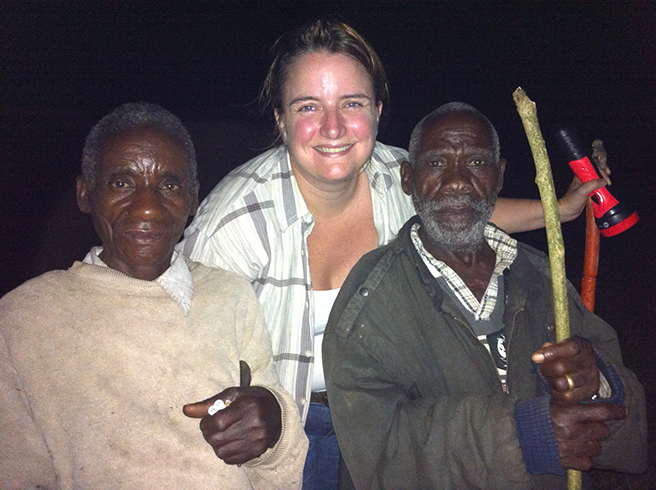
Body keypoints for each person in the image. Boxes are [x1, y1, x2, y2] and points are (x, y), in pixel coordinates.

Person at [181, 19, 608, 489]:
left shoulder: (391, 173)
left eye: (352, 103)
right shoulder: (236, 223)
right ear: (281, 119)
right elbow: (187, 351)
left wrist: (559, 210)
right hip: (293, 429)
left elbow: (460, 206)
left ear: (378, 110)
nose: (333, 127)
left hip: (393, 411)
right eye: (308, 106)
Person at [322, 102, 647, 489]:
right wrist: (526, 437)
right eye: (438, 163)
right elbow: (375, 452)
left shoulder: (543, 275)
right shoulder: (370, 298)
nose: (457, 180)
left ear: (499, 176)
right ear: (408, 179)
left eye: (476, 163)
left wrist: (596, 384)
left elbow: (632, 426)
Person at [0, 102, 307, 489]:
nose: (147, 208)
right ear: (84, 193)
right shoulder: (25, 319)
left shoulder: (230, 296)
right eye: (122, 183)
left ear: (194, 199)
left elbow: (279, 474)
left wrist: (273, 428)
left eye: (169, 185)